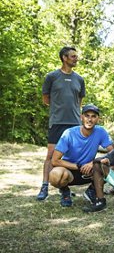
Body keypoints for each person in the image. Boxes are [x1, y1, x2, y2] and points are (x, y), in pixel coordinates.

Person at [37, 46, 86, 201]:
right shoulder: (51, 77)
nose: (76, 58)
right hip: (57, 122)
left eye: (76, 56)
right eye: (73, 56)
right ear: (64, 58)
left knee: (68, 157)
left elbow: (79, 101)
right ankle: (44, 186)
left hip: (74, 123)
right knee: (51, 156)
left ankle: (64, 189)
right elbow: (46, 99)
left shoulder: (79, 79)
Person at [48, 104, 114, 207]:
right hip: (70, 170)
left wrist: (93, 163)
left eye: (93, 116)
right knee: (54, 175)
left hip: (89, 170)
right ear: (81, 117)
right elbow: (55, 160)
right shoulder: (69, 133)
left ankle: (92, 191)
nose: (90, 119)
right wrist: (78, 166)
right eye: (87, 115)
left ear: (98, 119)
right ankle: (65, 191)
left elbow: (113, 153)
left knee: (109, 166)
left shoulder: (101, 131)